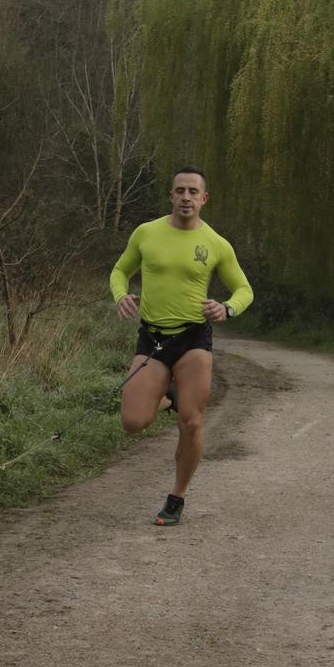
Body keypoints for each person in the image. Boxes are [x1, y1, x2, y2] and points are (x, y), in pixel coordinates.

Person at [109, 165, 254, 526]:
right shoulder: (146, 233)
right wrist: (120, 295)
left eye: (193, 192)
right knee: (132, 421)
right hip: (152, 337)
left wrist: (226, 307)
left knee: (191, 423)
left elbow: (244, 289)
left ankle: (177, 497)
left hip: (193, 338)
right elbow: (119, 271)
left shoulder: (217, 244)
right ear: (171, 196)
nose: (186, 197)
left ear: (203, 199)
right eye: (180, 191)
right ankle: (168, 396)